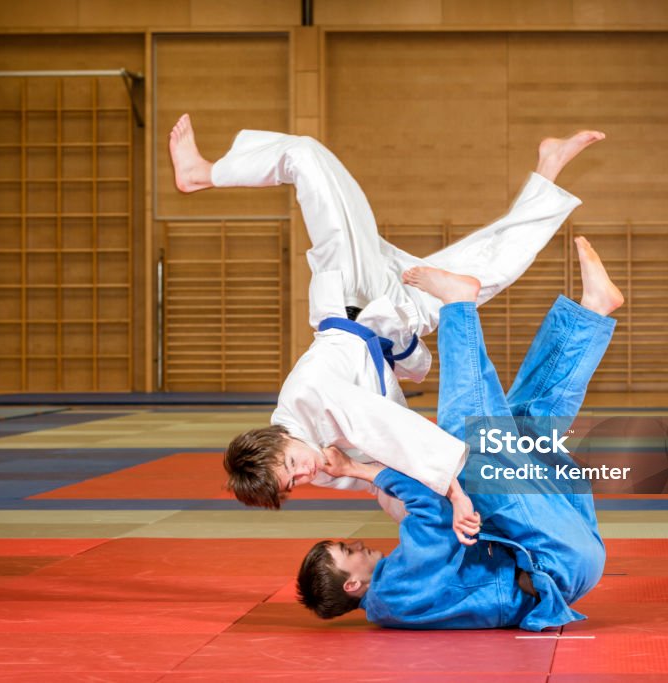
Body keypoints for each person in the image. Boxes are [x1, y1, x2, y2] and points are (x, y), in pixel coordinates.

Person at [169, 116, 605, 537]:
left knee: (306, 156)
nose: (302, 475)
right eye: (292, 485)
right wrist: (429, 522)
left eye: (288, 467)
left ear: (274, 442)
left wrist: (455, 495)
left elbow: (392, 432)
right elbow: (388, 480)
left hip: (355, 291)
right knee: (491, 268)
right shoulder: (321, 465)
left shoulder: (306, 396)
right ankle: (548, 168)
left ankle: (202, 172)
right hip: (396, 319)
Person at [296, 237, 621, 631]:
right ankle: (458, 304)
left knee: (524, 428)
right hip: (550, 558)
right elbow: (433, 511)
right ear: (352, 583)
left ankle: (591, 315)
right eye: (347, 550)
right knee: (468, 447)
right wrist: (360, 469)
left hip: (562, 558)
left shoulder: (396, 600)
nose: (357, 544)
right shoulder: (396, 589)